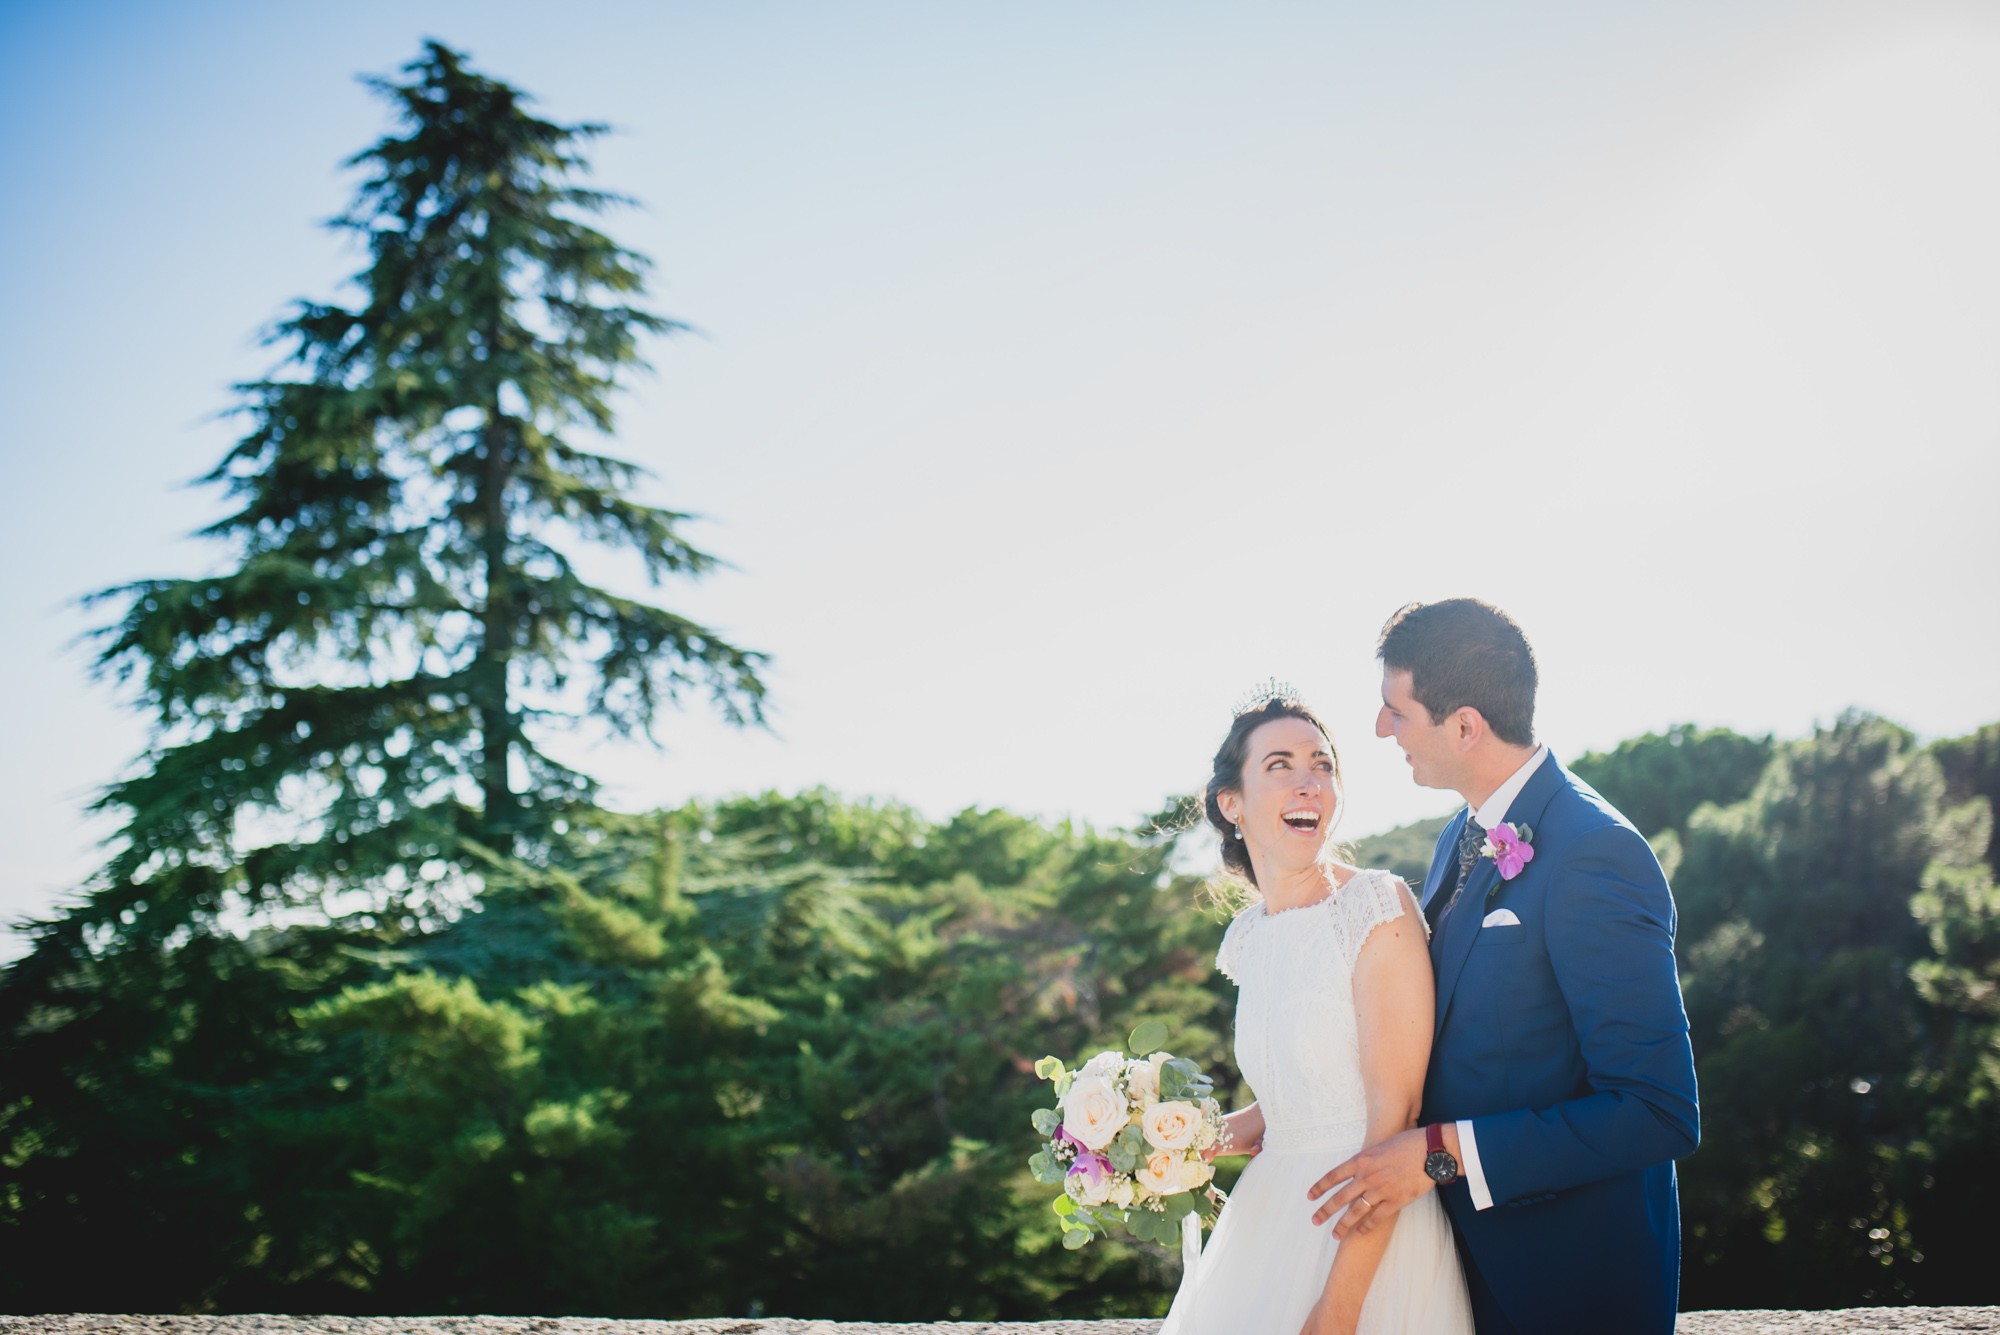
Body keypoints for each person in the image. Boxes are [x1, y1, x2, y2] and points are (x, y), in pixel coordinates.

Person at [1307, 599, 1701, 1334]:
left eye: (1398, 710)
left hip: (1568, 1290)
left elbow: (1658, 1112)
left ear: (1465, 726)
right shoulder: (1459, 832)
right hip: (1455, 1277)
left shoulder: (1596, 852)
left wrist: (1440, 1155)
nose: (1381, 728)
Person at [1161, 688, 1472, 1335]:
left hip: (1363, 1226)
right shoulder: (1248, 935)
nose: (1309, 782)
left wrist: (1338, 1309)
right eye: (1280, 765)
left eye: (1322, 765)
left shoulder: (1375, 906)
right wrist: (1167, 1141)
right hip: (1267, 1221)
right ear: (1231, 802)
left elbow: (1394, 1115)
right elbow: (1295, 1093)